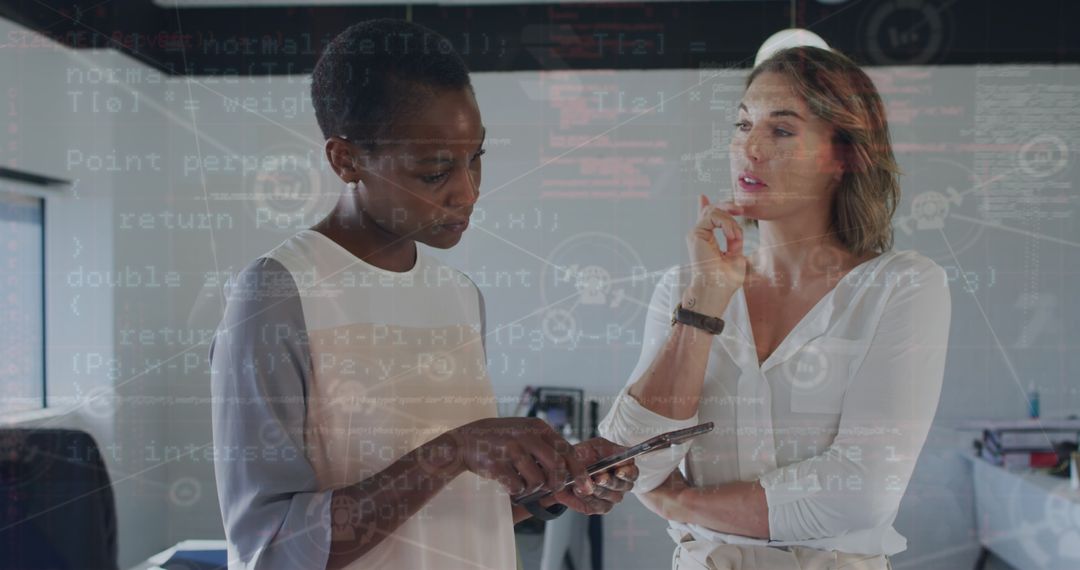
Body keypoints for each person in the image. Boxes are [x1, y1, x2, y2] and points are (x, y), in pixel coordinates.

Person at [210, 19, 638, 570]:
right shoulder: (276, 294)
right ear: (346, 160)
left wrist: (549, 490)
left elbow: (445, 512)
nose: (468, 192)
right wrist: (452, 449)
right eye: (435, 171)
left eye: (476, 157)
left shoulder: (458, 295)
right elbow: (270, 547)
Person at [600, 46, 951, 570]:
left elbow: (860, 493)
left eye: (781, 131)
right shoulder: (686, 286)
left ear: (845, 155)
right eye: (743, 125)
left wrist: (679, 501)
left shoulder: (902, 286)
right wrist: (703, 306)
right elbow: (628, 464)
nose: (750, 148)